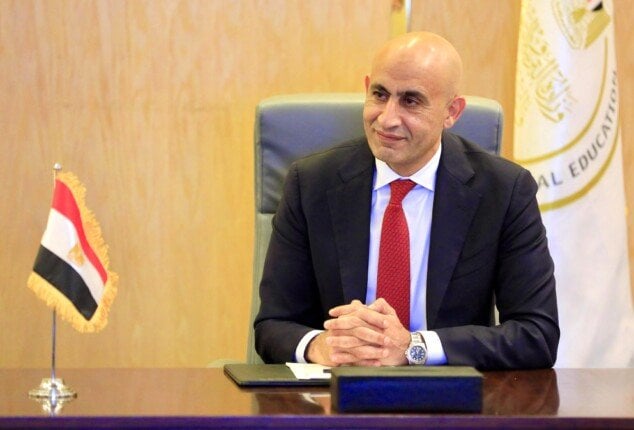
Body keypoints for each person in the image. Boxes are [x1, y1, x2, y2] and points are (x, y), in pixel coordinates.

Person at [254, 31, 559, 370]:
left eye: (411, 101)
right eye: (379, 94)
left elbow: (537, 334)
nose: (387, 118)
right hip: (337, 392)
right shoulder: (311, 183)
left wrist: (414, 348)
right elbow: (272, 325)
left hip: (449, 396)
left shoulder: (504, 191)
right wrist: (321, 346)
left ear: (452, 112)